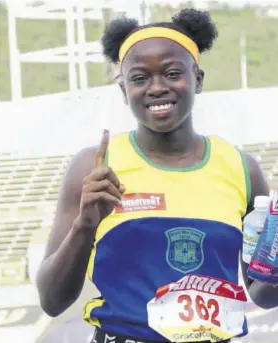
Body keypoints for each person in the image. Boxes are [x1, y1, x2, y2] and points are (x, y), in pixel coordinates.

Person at [36, 8, 278, 343]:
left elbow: (263, 294)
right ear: (124, 91)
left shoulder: (242, 168)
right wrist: (85, 226)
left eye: (172, 73)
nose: (157, 87)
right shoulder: (94, 168)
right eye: (139, 78)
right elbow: (51, 300)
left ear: (198, 79)